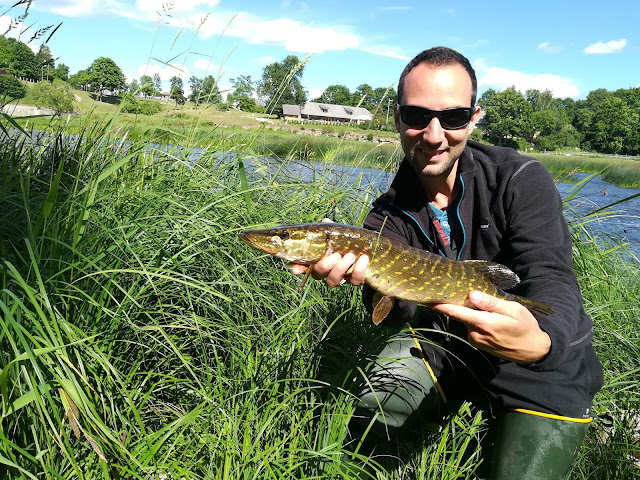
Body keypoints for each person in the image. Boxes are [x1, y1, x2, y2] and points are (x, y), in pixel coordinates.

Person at [292, 46, 603, 479]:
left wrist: (544, 343)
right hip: (446, 345)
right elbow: (396, 312)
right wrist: (370, 284)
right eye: (417, 116)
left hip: (538, 357)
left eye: (453, 117)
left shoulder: (519, 178)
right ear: (397, 118)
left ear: (474, 118)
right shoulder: (385, 217)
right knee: (366, 432)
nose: (434, 135)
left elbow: (550, 274)